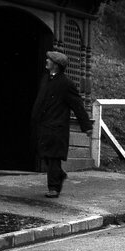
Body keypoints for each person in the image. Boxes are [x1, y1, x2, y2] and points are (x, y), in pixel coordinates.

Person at [32, 49, 91, 198]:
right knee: (45, 155)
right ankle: (59, 175)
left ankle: (54, 188)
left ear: (56, 65)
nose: (46, 61)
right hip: (44, 125)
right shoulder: (45, 79)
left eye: (49, 60)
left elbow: (77, 105)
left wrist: (87, 127)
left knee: (53, 158)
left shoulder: (66, 84)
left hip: (57, 127)